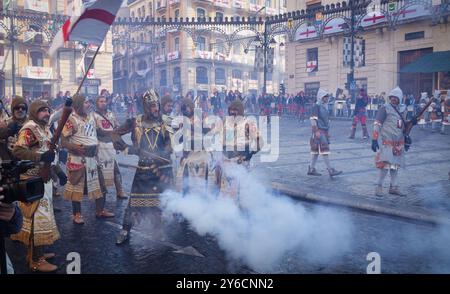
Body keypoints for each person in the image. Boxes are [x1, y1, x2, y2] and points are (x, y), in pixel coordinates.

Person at [115, 90, 172, 245]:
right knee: (134, 203)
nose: (156, 109)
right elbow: (115, 134)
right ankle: (125, 230)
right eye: (153, 106)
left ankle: (158, 230)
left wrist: (164, 153)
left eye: (157, 106)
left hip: (159, 170)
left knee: (158, 203)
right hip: (142, 171)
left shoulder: (165, 121)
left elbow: (169, 143)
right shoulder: (136, 121)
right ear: (146, 107)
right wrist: (129, 148)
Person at [11, 100, 61, 272]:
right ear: (34, 112)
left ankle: (37, 252)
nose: (46, 113)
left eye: (47, 110)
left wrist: (58, 172)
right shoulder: (29, 128)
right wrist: (40, 158)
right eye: (42, 111)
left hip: (44, 180)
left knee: (41, 219)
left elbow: (48, 153)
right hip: (33, 181)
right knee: (37, 220)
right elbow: (18, 151)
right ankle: (35, 260)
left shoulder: (44, 128)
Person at [61, 95, 114, 225]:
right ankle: (77, 214)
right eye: (86, 102)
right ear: (78, 104)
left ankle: (100, 210)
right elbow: (63, 140)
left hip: (93, 158)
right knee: (76, 188)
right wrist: (75, 148)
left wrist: (116, 133)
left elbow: (101, 132)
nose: (89, 105)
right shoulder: (71, 120)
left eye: (89, 102)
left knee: (101, 185)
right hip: (79, 159)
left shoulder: (92, 117)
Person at [371, 86, 417, 197]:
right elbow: (377, 124)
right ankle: (378, 187)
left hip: (399, 142)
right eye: (392, 97)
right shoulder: (384, 108)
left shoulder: (403, 109)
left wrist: (412, 122)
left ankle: (394, 187)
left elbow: (404, 125)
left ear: (400, 98)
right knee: (385, 166)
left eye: (396, 97)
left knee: (395, 166)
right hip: (387, 141)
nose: (393, 99)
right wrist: (374, 139)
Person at [215, 100, 263, 200]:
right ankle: (225, 209)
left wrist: (251, 153)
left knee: (240, 190)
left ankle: (240, 209)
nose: (232, 112)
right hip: (226, 162)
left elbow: (260, 141)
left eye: (235, 110)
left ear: (240, 111)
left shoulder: (248, 124)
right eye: (231, 110)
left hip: (240, 162)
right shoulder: (225, 122)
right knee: (224, 190)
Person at [93, 95, 127, 199]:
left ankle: (120, 190)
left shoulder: (111, 114)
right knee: (99, 172)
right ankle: (99, 194)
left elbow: (116, 126)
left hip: (110, 146)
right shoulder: (93, 115)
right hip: (100, 146)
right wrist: (110, 132)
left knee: (115, 169)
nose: (103, 103)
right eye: (101, 101)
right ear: (97, 103)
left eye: (104, 101)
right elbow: (95, 131)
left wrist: (120, 129)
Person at [307, 89, 342, 178]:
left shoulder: (324, 106)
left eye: (327, 96)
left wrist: (327, 132)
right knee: (324, 150)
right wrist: (316, 131)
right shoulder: (316, 106)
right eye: (325, 97)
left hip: (323, 131)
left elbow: (325, 121)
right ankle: (330, 170)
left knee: (315, 152)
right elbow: (313, 119)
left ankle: (311, 169)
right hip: (319, 132)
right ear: (321, 97)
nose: (327, 98)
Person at [0, 96, 28, 160]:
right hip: (9, 159)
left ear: (26, 110)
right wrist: (4, 131)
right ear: (13, 109)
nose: (20, 110)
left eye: (23, 108)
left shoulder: (32, 124)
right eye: (17, 108)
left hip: (28, 159)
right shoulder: (5, 123)